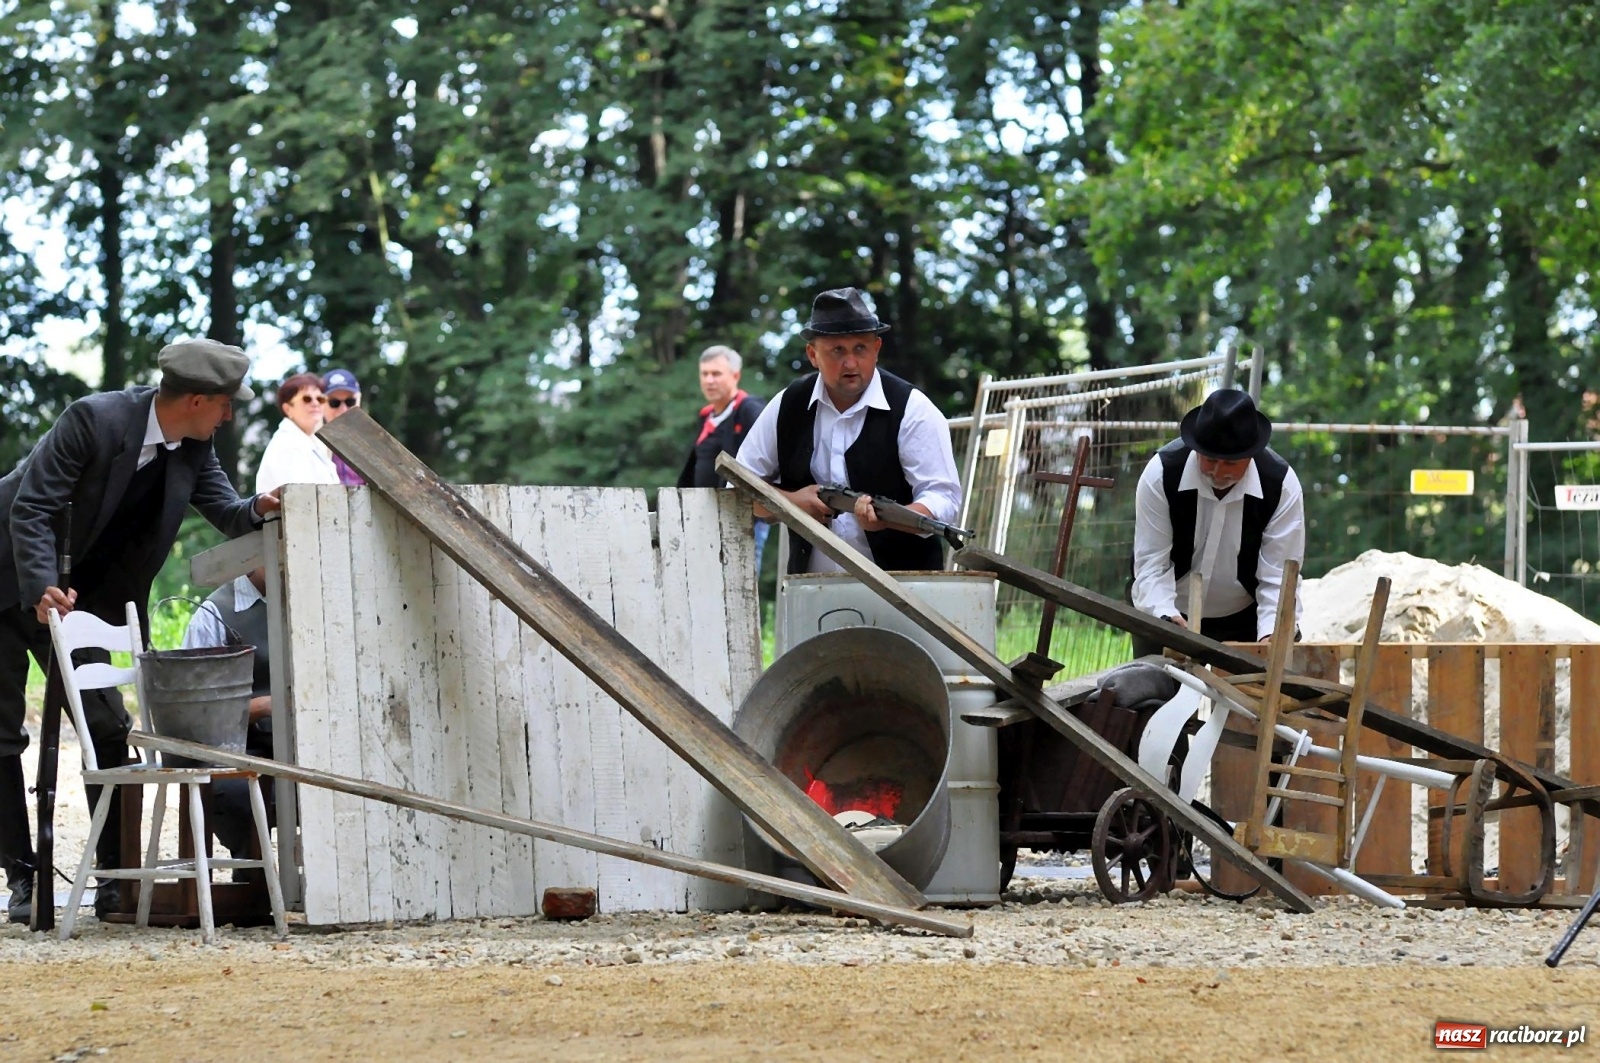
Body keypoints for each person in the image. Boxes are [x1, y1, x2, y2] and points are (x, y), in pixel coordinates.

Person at [0, 338, 282, 923]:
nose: (231, 415)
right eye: (226, 403)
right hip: (9, 577)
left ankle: (113, 878)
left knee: (107, 724)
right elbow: (32, 507)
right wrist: (41, 585)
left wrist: (260, 507)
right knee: (1, 735)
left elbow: (228, 512)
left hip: (84, 599)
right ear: (197, 400)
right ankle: (23, 877)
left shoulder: (194, 446)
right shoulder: (93, 419)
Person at [736, 287, 962, 574]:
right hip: (811, 588)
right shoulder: (788, 405)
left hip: (904, 588)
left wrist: (892, 519)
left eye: (860, 348)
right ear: (813, 354)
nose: (851, 362)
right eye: (837, 350)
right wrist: (791, 503)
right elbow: (739, 489)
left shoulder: (913, 409)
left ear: (876, 349)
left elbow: (944, 499)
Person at [1129, 388, 1305, 653]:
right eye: (1210, 459)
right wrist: (1165, 617)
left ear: (1250, 456)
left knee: (1255, 680)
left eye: (1230, 463)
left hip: (1245, 617)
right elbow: (1151, 564)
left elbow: (1280, 576)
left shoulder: (1281, 485)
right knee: (1153, 680)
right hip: (1167, 610)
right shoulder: (1161, 474)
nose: (1218, 472)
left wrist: (1272, 633)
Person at [181, 568, 274, 863]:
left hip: (301, 750)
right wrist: (263, 707)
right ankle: (252, 878)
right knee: (236, 794)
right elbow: (192, 711)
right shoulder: (215, 612)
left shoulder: (311, 601)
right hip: (234, 752)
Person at [676, 346, 769, 568]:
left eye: (716, 373)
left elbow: (768, 460)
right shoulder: (707, 415)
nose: (709, 380)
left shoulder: (749, 410)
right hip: (703, 517)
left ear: (735, 376)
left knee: (740, 577)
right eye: (705, 373)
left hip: (741, 516)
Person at [255, 372, 340, 495]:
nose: (315, 403)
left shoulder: (310, 442)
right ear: (288, 409)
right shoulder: (287, 446)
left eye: (320, 398)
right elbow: (301, 499)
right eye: (307, 399)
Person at [321, 368, 366, 486]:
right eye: (334, 403)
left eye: (350, 401)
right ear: (321, 403)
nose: (343, 409)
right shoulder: (310, 447)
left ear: (359, 400)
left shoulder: (375, 444)